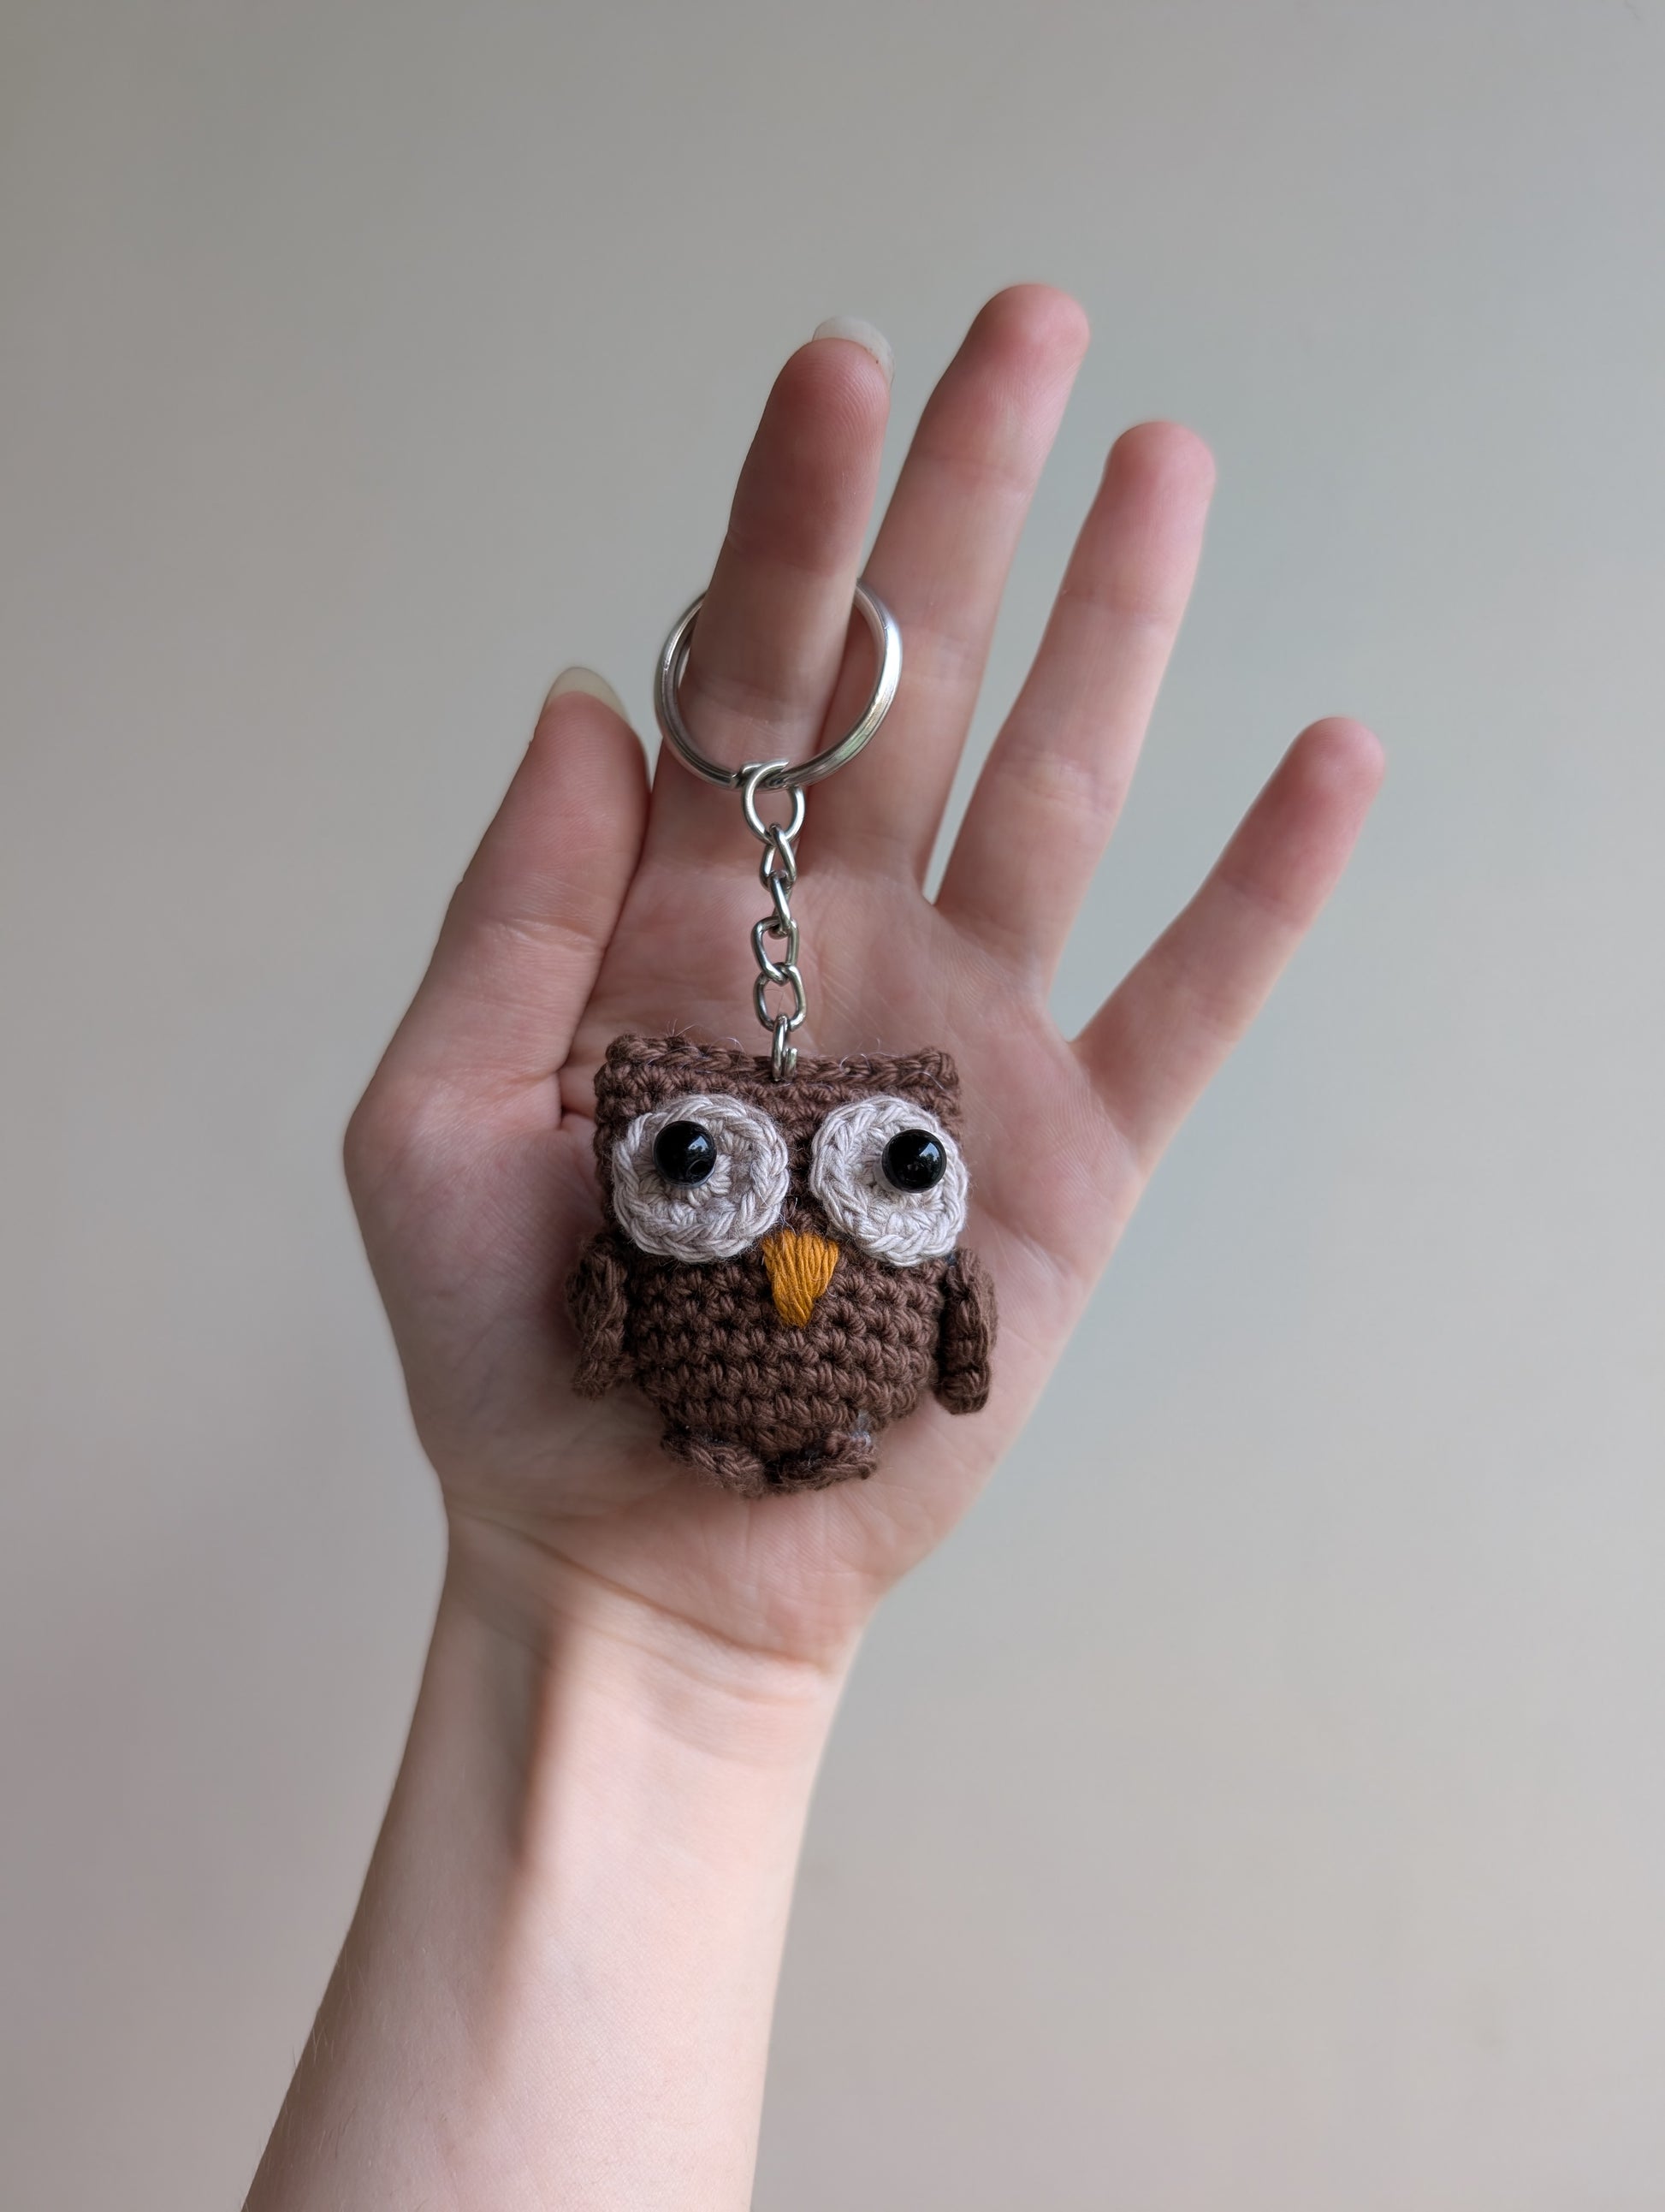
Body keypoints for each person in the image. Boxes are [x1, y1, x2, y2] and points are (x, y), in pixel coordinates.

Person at [243, 285, 1382, 2210]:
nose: (791, 1251)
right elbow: (633, 1325)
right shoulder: (645, 1266)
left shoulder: (905, 1245)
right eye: (705, 1163)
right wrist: (602, 1597)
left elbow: (940, 1339)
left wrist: (638, 1635)